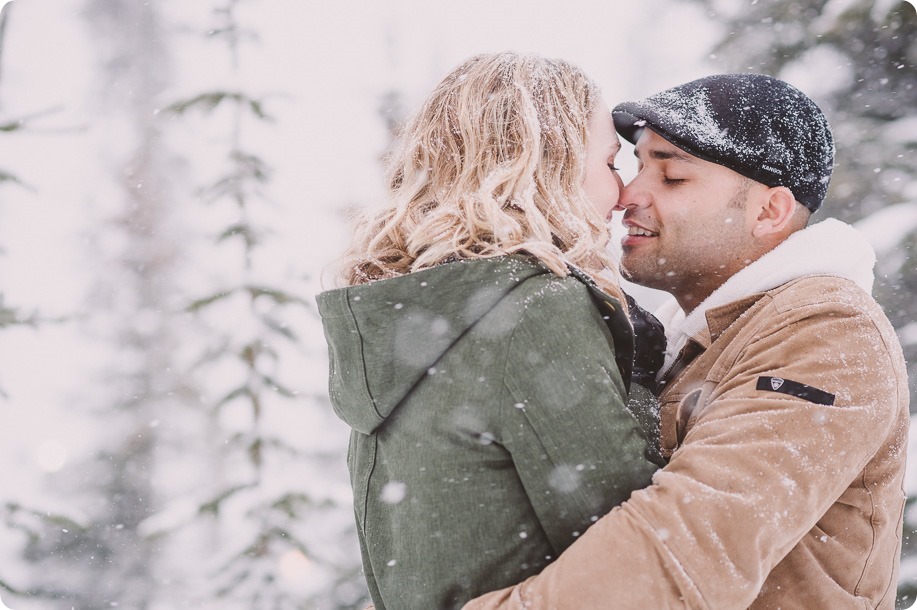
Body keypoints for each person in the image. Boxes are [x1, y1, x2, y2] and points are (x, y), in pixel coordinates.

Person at [465, 74, 909, 609]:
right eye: (634, 166)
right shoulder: (697, 334)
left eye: (672, 176)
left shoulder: (829, 332)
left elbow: (694, 545)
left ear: (769, 212)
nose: (628, 195)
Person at [316, 52, 660, 610]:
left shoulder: (413, 311)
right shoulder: (531, 310)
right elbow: (637, 539)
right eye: (610, 164)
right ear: (551, 164)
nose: (621, 196)